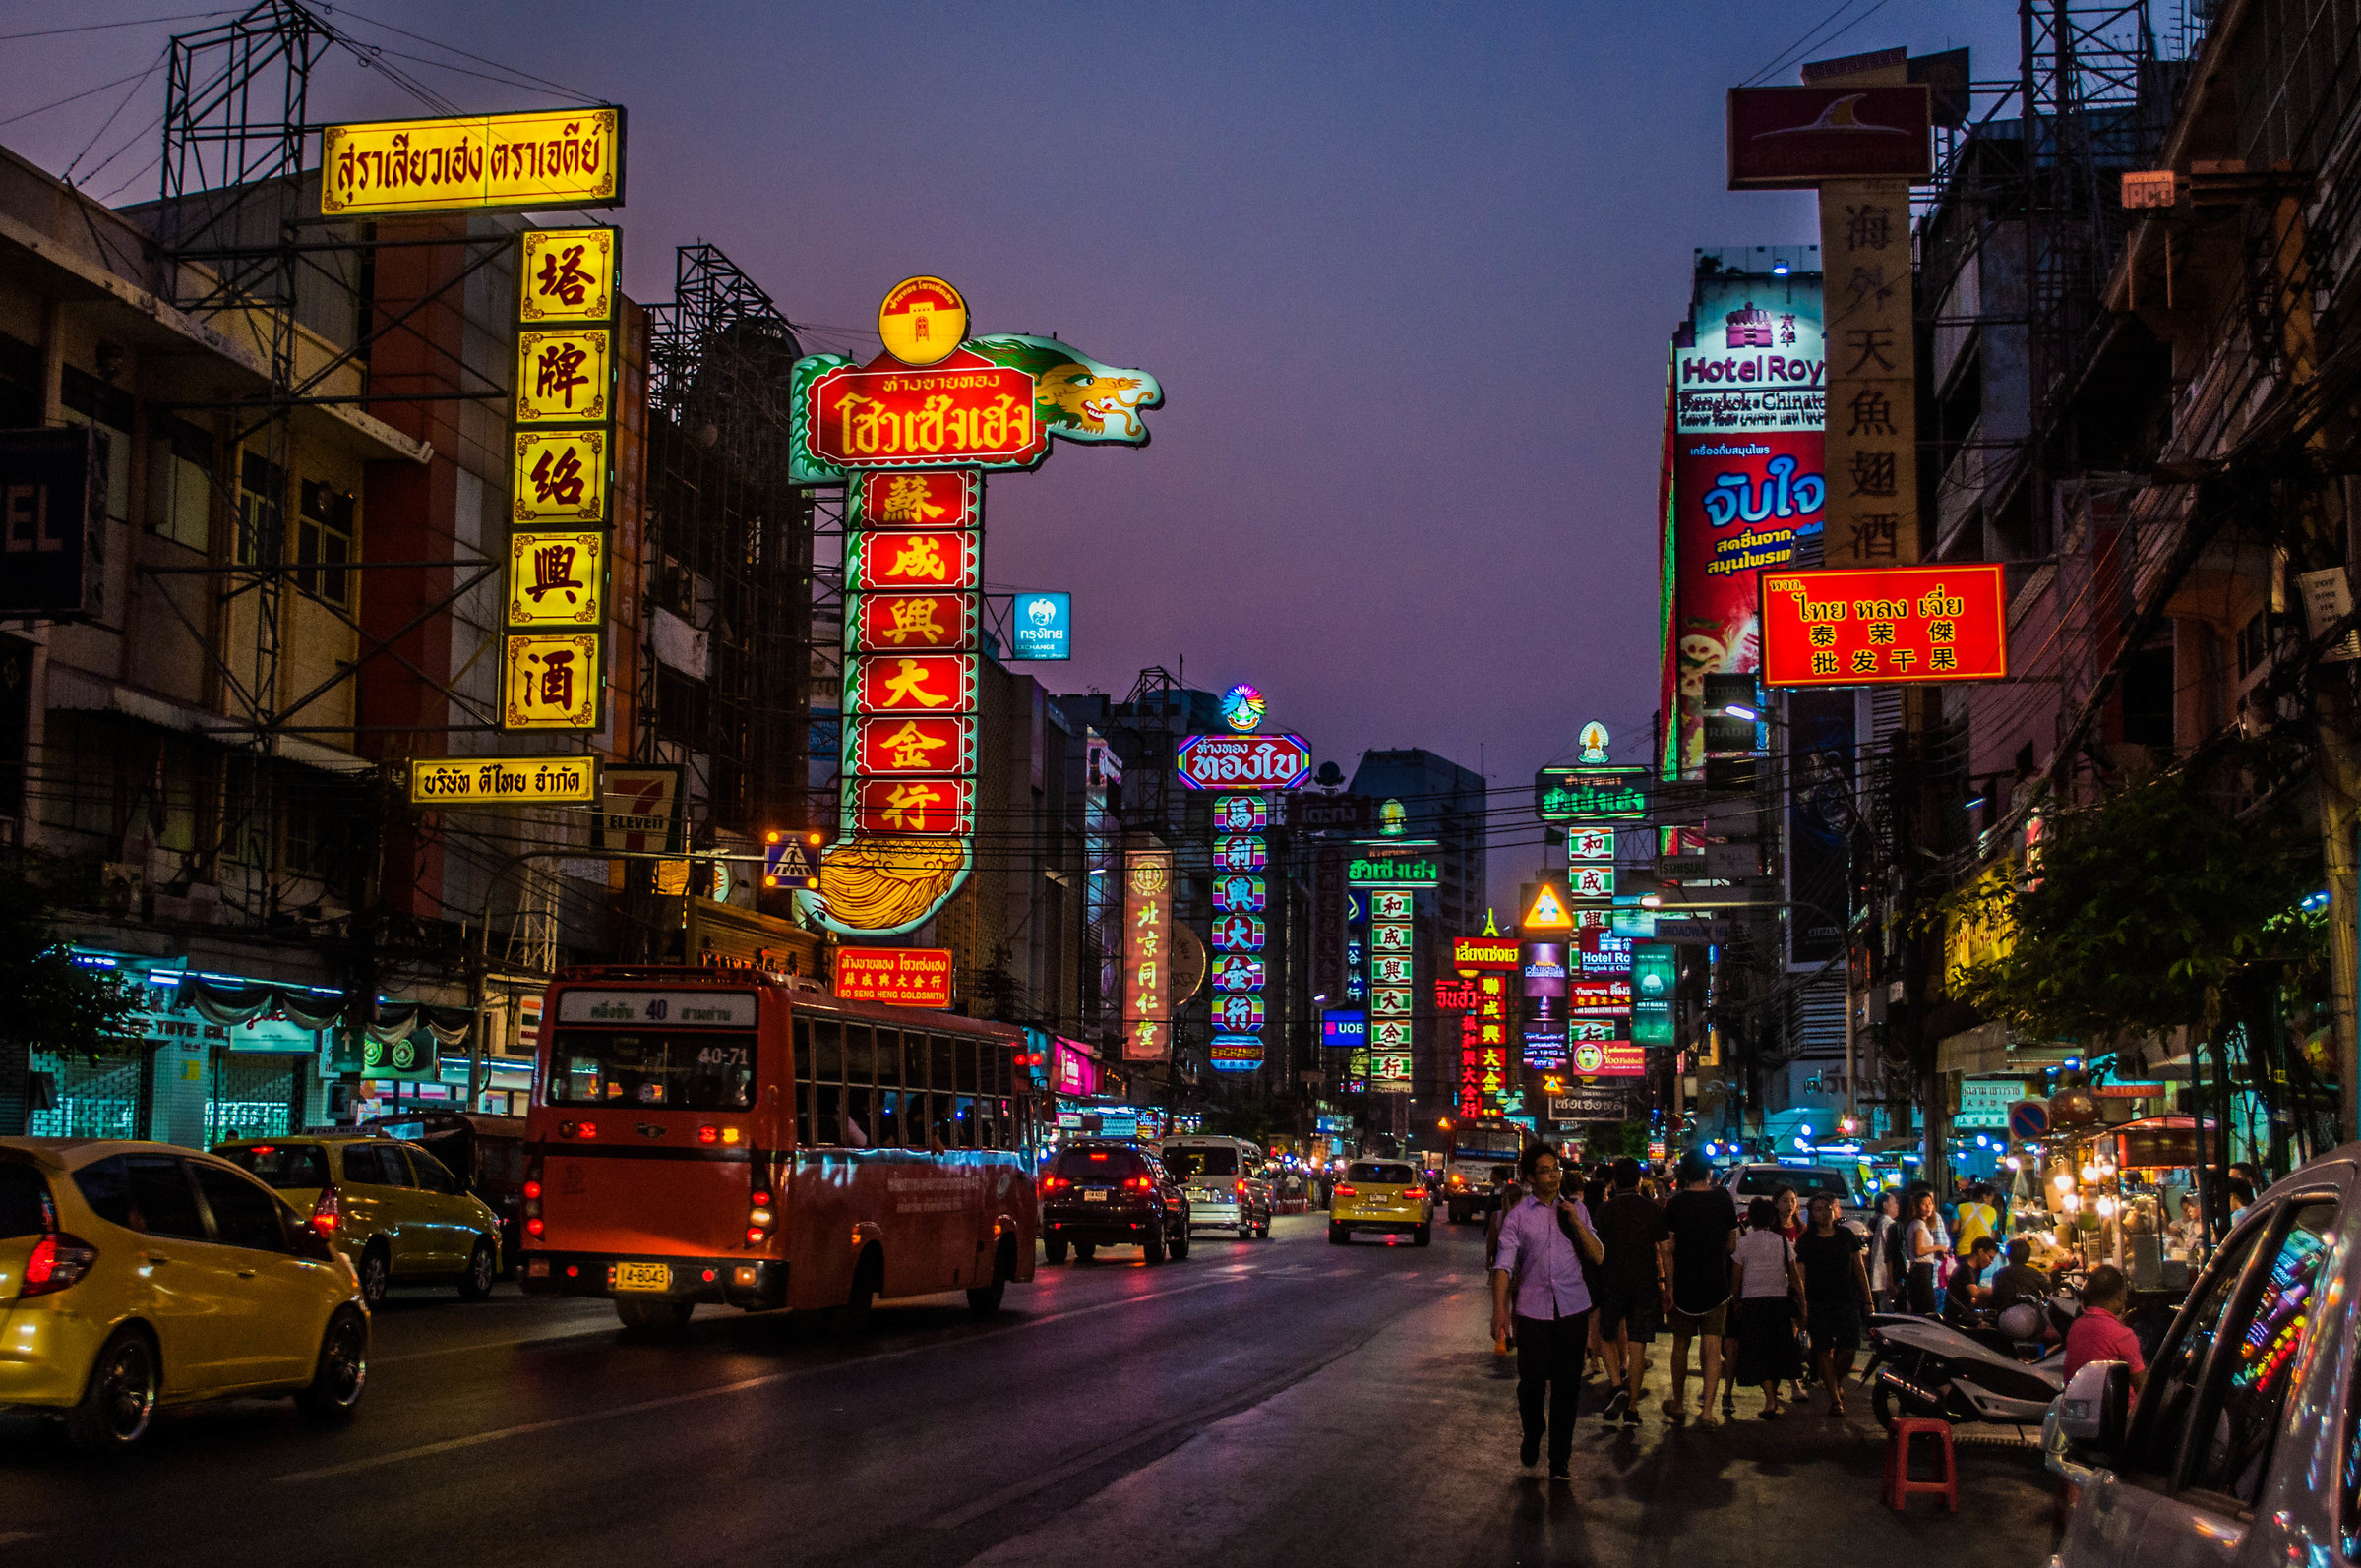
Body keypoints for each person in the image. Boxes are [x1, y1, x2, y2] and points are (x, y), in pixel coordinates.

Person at [1490, 1143, 1606, 1482]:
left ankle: (1560, 1462)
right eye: (1545, 1170)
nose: (1554, 1175)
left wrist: (1576, 1220)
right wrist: (1499, 1310)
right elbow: (1503, 1266)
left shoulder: (1576, 1210)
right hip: (1533, 1313)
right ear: (1530, 1177)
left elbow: (1598, 1255)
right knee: (1530, 1385)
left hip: (1573, 1310)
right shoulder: (1518, 1217)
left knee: (1568, 1389)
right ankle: (1533, 1429)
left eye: (1556, 1169)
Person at [1661, 1151, 1738, 1426]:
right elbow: (1732, 1245)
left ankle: (1679, 1404)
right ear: (1708, 1172)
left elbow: (1668, 1250)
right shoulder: (1723, 1200)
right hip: (1716, 1282)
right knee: (1712, 1342)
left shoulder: (1676, 1204)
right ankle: (1707, 1413)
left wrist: (1668, 1287)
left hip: (1683, 1282)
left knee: (1680, 1343)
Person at [1593, 1156, 1669, 1427]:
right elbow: (1665, 1251)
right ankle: (1633, 1408)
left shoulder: (1604, 1211)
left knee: (1606, 1335)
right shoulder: (1652, 1210)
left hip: (1612, 1282)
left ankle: (1616, 1385)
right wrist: (1667, 1286)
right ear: (1639, 1181)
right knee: (1638, 1346)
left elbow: (1595, 1250)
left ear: (1614, 1182)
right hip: (1645, 1284)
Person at [1793, 1190, 1871, 1417]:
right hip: (1818, 1303)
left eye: (1827, 1208)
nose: (1824, 1212)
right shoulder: (1807, 1241)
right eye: (1818, 1209)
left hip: (1846, 1300)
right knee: (1823, 1348)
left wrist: (1868, 1299)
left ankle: (1834, 1380)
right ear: (1811, 1214)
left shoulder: (1846, 1236)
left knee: (1849, 1349)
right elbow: (1801, 1276)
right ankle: (1835, 1399)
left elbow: (1859, 1268)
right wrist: (1802, 1303)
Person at [1731, 1196, 1803, 1417]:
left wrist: (1736, 1302)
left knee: (1758, 1352)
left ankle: (1770, 1399)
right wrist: (1803, 1302)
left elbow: (1736, 1278)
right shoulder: (1782, 1243)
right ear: (1772, 1217)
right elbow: (1794, 1276)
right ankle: (1772, 1397)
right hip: (1779, 1303)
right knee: (1778, 1352)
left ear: (1751, 1217)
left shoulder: (1743, 1243)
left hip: (1753, 1302)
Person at [2062, 1264, 2148, 1391]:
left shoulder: (2076, 1326)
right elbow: (2143, 1388)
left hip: (2079, 1405)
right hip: (2118, 1409)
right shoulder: (2122, 1335)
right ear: (2119, 1296)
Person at [1905, 1186, 1951, 1315]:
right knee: (1928, 1309)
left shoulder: (1921, 1225)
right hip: (1920, 1271)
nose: (1928, 1207)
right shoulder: (1918, 1224)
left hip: (1923, 1270)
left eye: (1930, 1204)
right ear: (1917, 1206)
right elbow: (1918, 1251)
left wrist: (1936, 1254)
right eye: (1924, 1204)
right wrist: (1939, 1247)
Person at [1988, 1237, 2053, 1319]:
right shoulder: (2035, 1273)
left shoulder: (1999, 1274)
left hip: (2006, 1317)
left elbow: (1996, 1298)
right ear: (2027, 1255)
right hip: (2032, 1316)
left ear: (2008, 1255)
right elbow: (2050, 1293)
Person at [1945, 1236, 2001, 1322]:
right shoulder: (1965, 1268)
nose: (1991, 1262)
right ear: (1981, 1252)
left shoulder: (1977, 1268)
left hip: (1965, 1312)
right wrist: (1995, 1289)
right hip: (1956, 1316)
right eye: (1990, 1257)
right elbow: (1974, 1292)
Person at [1867, 1190, 1905, 1311]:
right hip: (1886, 1276)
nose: (1897, 1206)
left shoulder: (1881, 1222)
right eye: (1894, 1203)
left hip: (1881, 1275)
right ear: (1885, 1205)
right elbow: (1890, 1252)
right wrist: (1890, 1279)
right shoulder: (1889, 1224)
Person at [1955, 1182, 1999, 1252]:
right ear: (1985, 1197)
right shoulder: (1992, 1211)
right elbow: (1992, 1235)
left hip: (1963, 1250)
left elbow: (1953, 1228)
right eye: (1991, 1199)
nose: (1991, 1203)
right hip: (1983, 1252)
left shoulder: (1960, 1207)